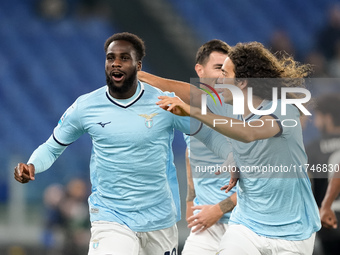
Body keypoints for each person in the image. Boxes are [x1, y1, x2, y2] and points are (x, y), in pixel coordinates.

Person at [14, 32, 192, 255]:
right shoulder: (86, 106)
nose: (116, 63)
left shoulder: (164, 102)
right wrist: (32, 165)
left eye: (124, 58)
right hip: (111, 216)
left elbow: (205, 132)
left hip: (159, 218)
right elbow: (52, 146)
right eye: (110, 58)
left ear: (138, 65)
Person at [147, 42, 321, 254]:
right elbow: (208, 133)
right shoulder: (233, 110)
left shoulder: (284, 109)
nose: (219, 79)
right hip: (247, 225)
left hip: (293, 231)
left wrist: (193, 112)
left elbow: (249, 133)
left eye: (225, 73)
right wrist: (233, 159)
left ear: (242, 82)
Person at [181, 40, 236, 254]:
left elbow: (262, 175)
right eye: (217, 68)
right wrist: (190, 200)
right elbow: (190, 153)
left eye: (227, 70)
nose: (223, 75)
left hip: (243, 222)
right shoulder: (193, 111)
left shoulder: (246, 112)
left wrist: (219, 209)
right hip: (205, 223)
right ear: (199, 70)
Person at [306, 93, 340, 255]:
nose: (317, 123)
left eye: (319, 117)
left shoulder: (312, 150)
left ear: (328, 118)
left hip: (327, 228)